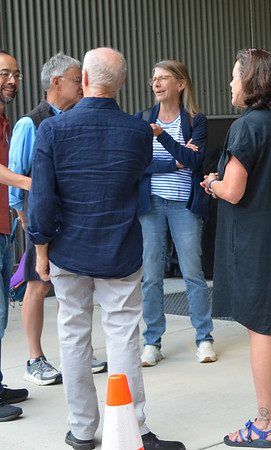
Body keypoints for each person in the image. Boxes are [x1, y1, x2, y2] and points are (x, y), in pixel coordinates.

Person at [27, 47, 185, 449]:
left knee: (74, 336)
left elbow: (43, 199)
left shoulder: (53, 130)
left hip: (68, 248)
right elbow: (134, 182)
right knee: (123, 336)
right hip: (120, 247)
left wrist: (41, 252)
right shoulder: (136, 131)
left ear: (83, 82)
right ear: (124, 84)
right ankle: (134, 426)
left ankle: (82, 430)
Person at [200, 49, 271, 448]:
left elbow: (233, 189)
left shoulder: (246, 127)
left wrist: (211, 183)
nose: (230, 84)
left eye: (234, 76)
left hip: (255, 241)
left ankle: (264, 423)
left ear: (253, 83)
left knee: (260, 327)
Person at [9, 53, 109, 386]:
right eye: (75, 78)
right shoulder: (29, 123)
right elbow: (17, 175)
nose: (82, 84)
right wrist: (26, 219)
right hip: (39, 220)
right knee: (38, 286)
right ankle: (34, 358)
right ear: (56, 83)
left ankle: (78, 352)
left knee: (76, 286)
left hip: (72, 219)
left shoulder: (73, 118)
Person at [135, 60, 215, 366]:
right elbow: (139, 165)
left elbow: (195, 163)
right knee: (151, 276)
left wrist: (162, 137)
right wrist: (174, 161)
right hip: (152, 204)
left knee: (193, 273)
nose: (155, 83)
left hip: (184, 205)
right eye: (153, 78)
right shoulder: (142, 120)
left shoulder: (197, 120)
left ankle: (204, 338)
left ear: (180, 84)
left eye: (163, 78)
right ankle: (152, 341)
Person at [0, 50, 28, 423]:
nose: (12, 80)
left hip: (3, 226)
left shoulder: (5, 120)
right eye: (5, 73)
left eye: (16, 74)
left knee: (1, 313)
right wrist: (30, 184)